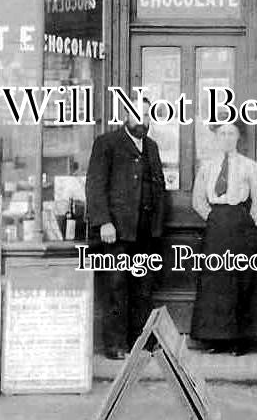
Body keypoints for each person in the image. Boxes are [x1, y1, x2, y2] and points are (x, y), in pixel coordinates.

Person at [85, 97, 167, 360]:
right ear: (125, 116)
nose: (142, 120)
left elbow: (159, 189)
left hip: (145, 232)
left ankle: (140, 342)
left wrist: (157, 227)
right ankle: (115, 345)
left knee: (143, 288)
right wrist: (104, 222)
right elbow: (95, 186)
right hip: (116, 231)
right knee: (116, 288)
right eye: (137, 115)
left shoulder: (152, 147)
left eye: (146, 115)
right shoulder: (107, 143)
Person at [190, 119, 257, 355]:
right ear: (217, 137)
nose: (226, 138)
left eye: (231, 133)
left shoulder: (249, 166)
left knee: (240, 281)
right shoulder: (207, 166)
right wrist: (214, 219)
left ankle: (238, 340)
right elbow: (197, 200)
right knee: (215, 282)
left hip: (240, 226)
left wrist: (246, 223)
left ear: (238, 137)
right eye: (222, 133)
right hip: (216, 226)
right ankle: (215, 338)